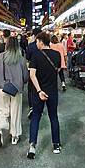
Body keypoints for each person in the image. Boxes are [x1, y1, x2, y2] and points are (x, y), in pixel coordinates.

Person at [27, 31, 62, 159]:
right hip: (52, 91)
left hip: (38, 92)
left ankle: (32, 146)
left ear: (41, 42)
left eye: (37, 41)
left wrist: (39, 91)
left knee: (35, 116)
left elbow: (32, 75)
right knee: (53, 117)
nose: (36, 44)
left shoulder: (35, 56)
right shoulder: (57, 55)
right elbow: (57, 70)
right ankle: (56, 144)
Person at [0, 37, 29, 147]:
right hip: (17, 90)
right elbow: (25, 77)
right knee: (15, 112)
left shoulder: (1, 57)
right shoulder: (21, 59)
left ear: (7, 45)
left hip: (3, 88)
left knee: (3, 110)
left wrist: (3, 84)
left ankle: (0, 130)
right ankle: (14, 136)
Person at [25, 28, 42, 118]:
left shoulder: (31, 45)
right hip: (42, 69)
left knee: (31, 88)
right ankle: (39, 107)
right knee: (40, 87)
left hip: (32, 69)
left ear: (34, 35)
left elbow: (27, 57)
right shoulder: (45, 45)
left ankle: (31, 107)